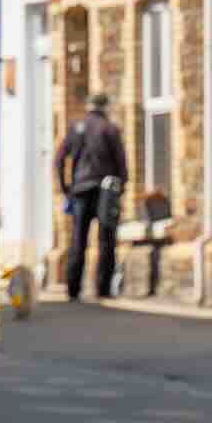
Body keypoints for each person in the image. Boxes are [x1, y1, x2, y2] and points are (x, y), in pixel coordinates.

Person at [56, 96, 131, 301]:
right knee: (106, 239)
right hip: (105, 191)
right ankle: (103, 288)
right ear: (105, 107)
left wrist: (65, 188)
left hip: (80, 189)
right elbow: (121, 163)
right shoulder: (109, 129)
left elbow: (59, 159)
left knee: (78, 240)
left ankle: (73, 289)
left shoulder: (76, 127)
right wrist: (121, 187)